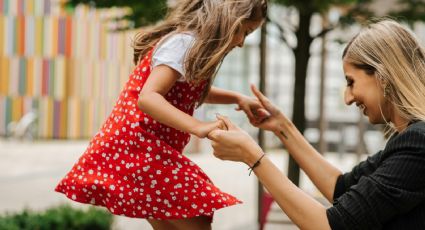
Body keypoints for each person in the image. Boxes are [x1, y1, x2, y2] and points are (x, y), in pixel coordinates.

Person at [55, 0, 268, 229]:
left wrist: (237, 98)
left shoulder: (190, 44)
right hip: (139, 150)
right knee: (197, 217)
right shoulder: (184, 43)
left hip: (145, 150)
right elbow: (149, 97)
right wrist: (198, 126)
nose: (241, 43)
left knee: (179, 221)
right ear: (228, 18)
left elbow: (189, 91)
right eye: (244, 31)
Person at [208, 19, 425, 229]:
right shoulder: (408, 139)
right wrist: (282, 127)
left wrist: (252, 156)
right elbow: (341, 187)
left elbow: (331, 225)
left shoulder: (417, 143)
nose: (347, 98)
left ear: (383, 76)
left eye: (351, 82)